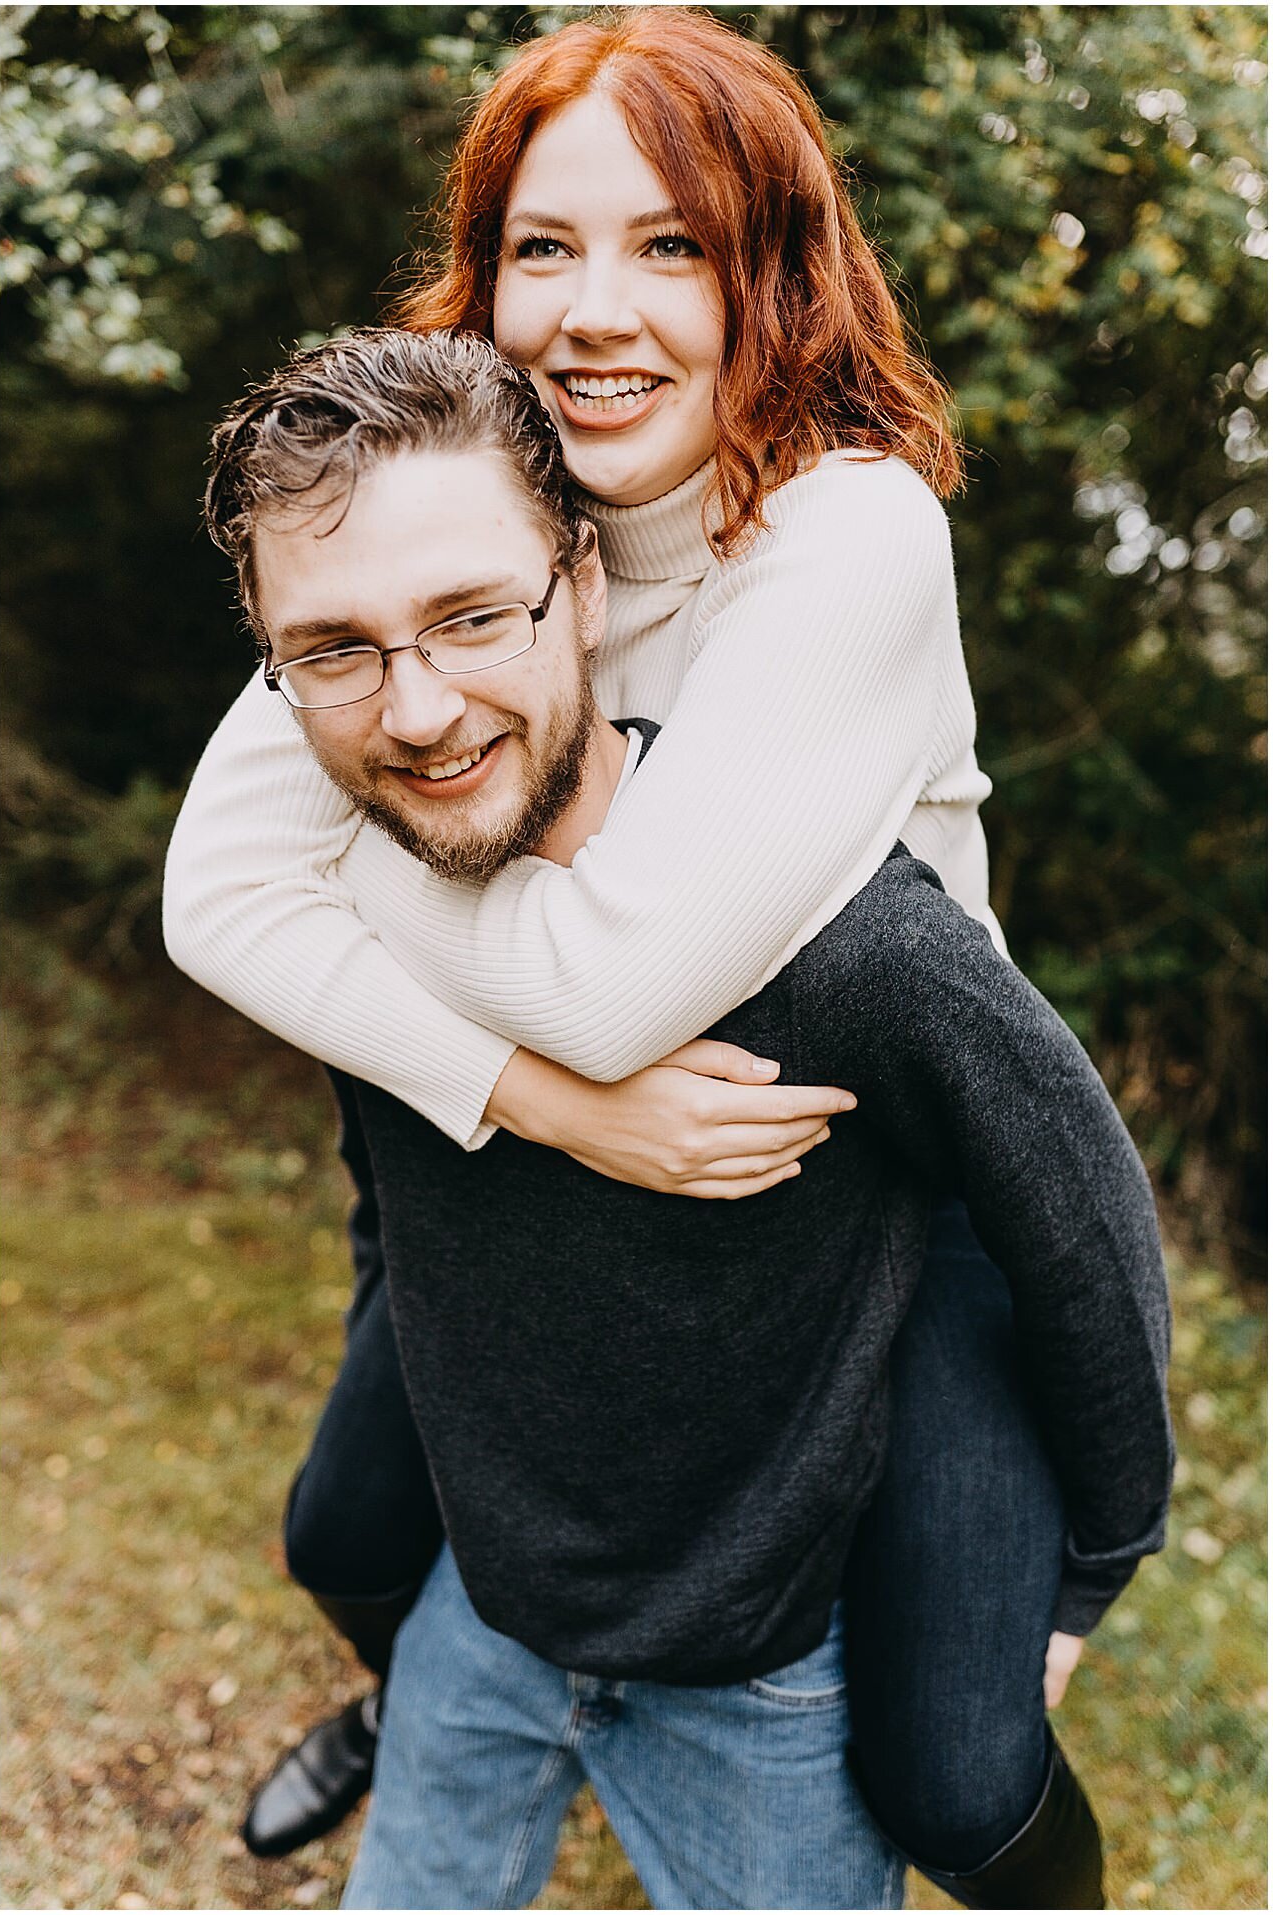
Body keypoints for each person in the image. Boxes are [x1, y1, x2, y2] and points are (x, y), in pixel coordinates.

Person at [163, 10, 1163, 1904]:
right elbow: (213, 898)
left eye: (670, 245)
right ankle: (438, 1698)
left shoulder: (844, 532)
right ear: (485, 271)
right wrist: (549, 1107)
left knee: (954, 1769)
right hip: (562, 1138)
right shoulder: (457, 501)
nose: (589, 311)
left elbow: (619, 982)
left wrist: (353, 859)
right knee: (353, 1526)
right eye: (545, 246)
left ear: (769, 274)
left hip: (863, 1151)